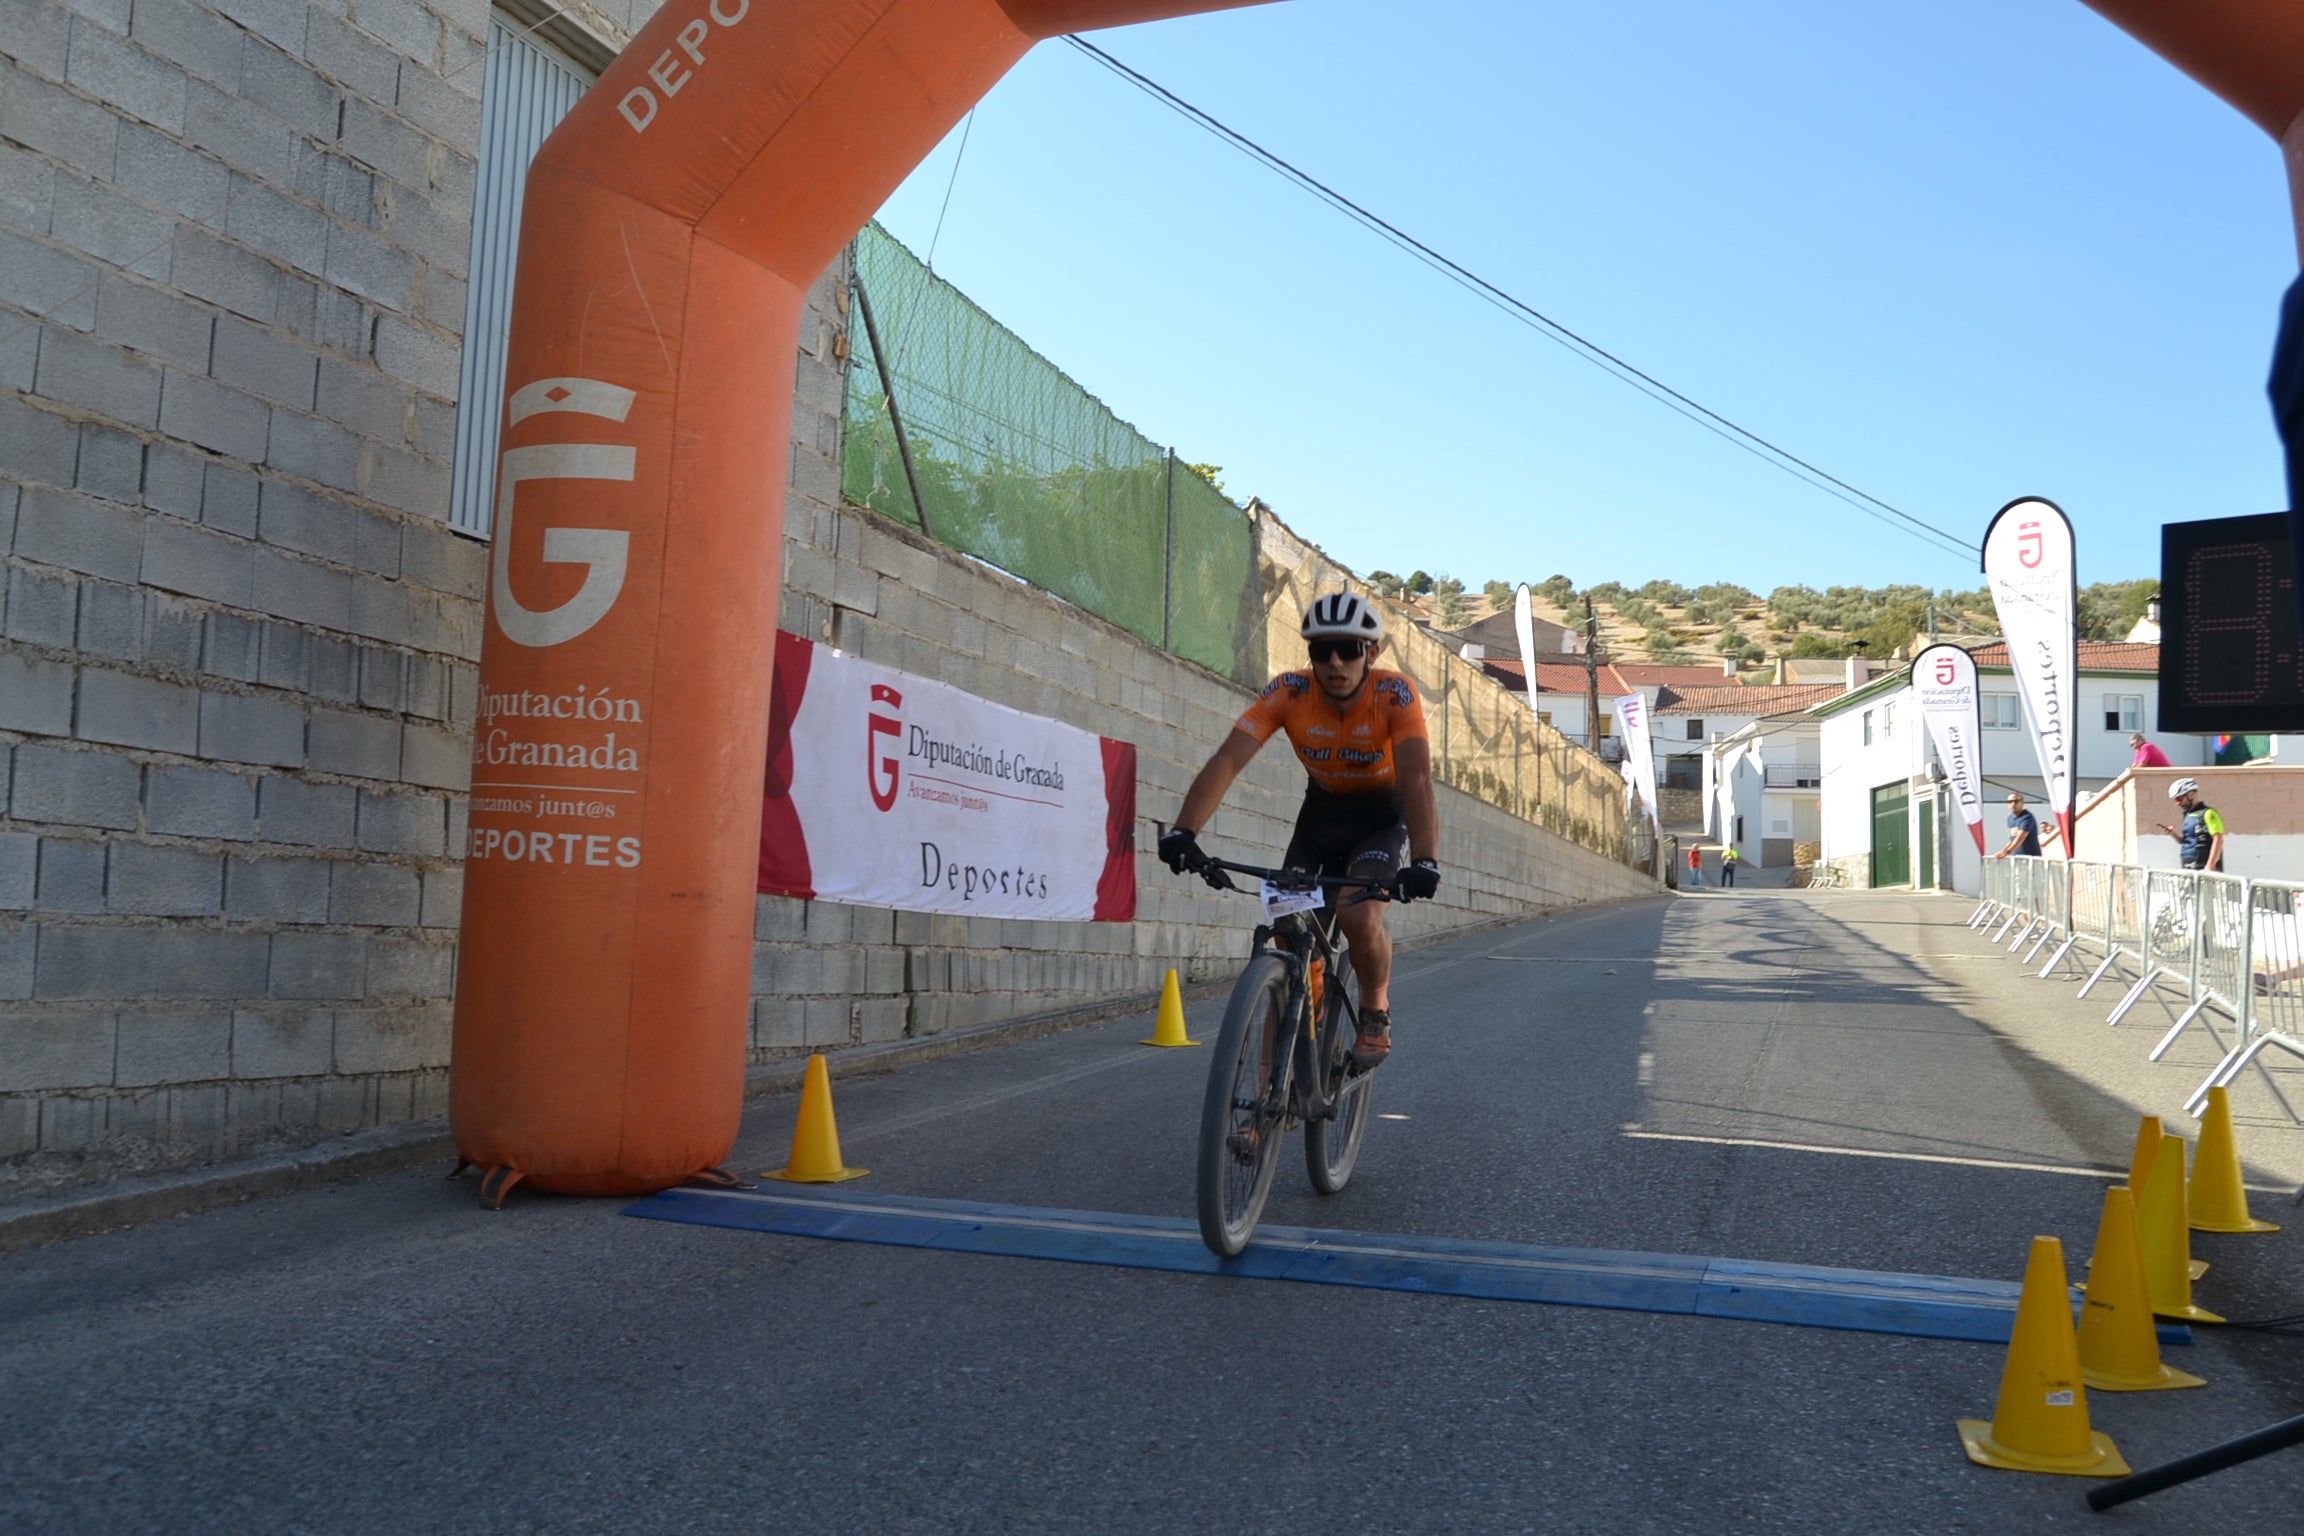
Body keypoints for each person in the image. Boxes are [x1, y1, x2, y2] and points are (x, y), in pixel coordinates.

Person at [1159, 592, 1439, 1069]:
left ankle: (1374, 1006)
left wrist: (1425, 860)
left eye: (1348, 649)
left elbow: (1415, 778)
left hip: (1380, 820)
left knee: (1357, 916)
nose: (1334, 662)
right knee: (1288, 942)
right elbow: (1228, 760)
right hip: (1321, 818)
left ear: (1370, 653)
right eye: (1321, 650)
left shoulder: (1395, 694)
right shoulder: (1289, 692)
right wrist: (1184, 832)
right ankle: (1263, 1107)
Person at [2155, 777, 2226, 873]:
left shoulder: (2209, 813)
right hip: (2188, 864)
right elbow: (2186, 841)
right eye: (2175, 800)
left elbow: (2218, 839)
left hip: (2203, 866)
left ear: (2191, 795)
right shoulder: (2188, 815)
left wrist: (2210, 865)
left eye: (2179, 799)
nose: (2177, 803)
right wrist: (2172, 834)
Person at [1994, 792, 2040, 860]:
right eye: (2010, 801)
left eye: (2016, 801)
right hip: (2018, 859)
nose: (2013, 804)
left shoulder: (2027, 817)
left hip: (2031, 859)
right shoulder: (2010, 819)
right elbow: (2012, 840)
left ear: (2022, 803)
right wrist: (2003, 851)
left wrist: (2006, 853)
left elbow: (2020, 838)